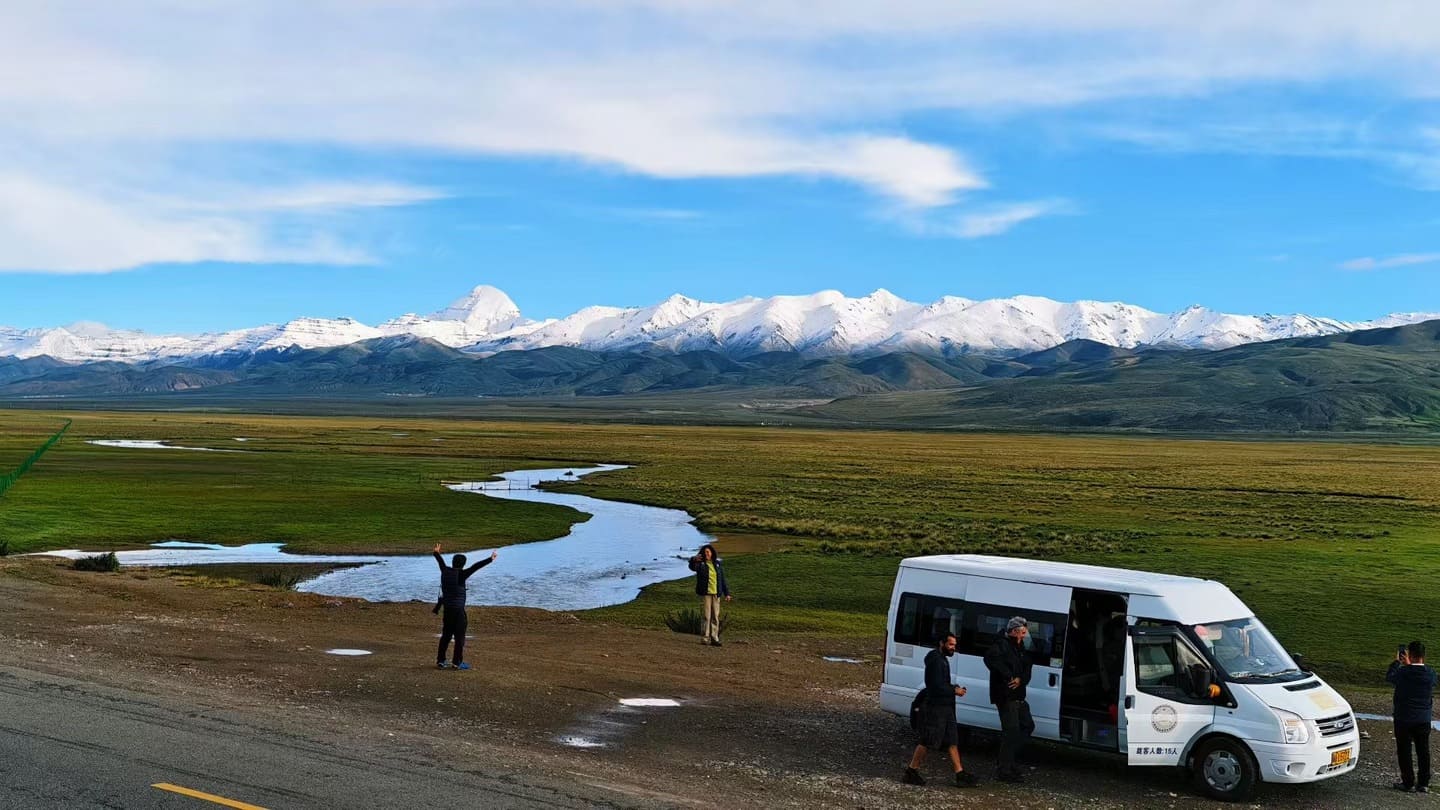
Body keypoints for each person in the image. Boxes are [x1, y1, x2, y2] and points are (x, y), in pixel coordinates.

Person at [903, 633, 979, 788]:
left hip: (946, 706)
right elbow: (936, 686)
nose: (953, 648)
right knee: (928, 740)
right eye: (951, 645)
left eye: (954, 645)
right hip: (936, 707)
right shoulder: (936, 660)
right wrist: (954, 690)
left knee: (952, 740)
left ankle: (960, 773)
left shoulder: (941, 659)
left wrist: (953, 689)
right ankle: (911, 771)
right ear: (941, 643)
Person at [984, 616, 1035, 783]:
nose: (1024, 636)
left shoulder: (1020, 648)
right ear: (1014, 631)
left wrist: (1021, 678)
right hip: (1006, 696)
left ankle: (1007, 760)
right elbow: (990, 659)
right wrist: (1008, 676)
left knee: (1027, 726)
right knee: (1011, 731)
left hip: (1019, 695)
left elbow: (1027, 668)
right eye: (1022, 633)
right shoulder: (1001, 645)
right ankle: (1004, 769)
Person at [432, 544, 497, 670]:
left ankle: (441, 661)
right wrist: (491, 559)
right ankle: (457, 662)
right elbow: (476, 567)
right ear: (463, 564)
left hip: (447, 610)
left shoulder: (445, 571)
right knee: (459, 637)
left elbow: (440, 562)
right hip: (458, 611)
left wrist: (436, 553)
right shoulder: (461, 574)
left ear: (453, 562)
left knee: (446, 635)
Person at [1388, 640, 1437, 793]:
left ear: (1410, 654)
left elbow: (1390, 677)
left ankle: (1408, 782)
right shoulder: (1430, 674)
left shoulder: (1403, 672)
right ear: (1423, 656)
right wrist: (1409, 664)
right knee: (1423, 751)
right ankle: (1423, 783)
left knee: (1404, 750)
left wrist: (1397, 662)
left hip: (1404, 718)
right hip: (1423, 718)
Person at [687, 544, 731, 646]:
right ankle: (705, 638)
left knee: (715, 616)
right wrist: (693, 559)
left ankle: (715, 638)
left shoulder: (717, 564)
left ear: (712, 553)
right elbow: (691, 567)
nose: (706, 554)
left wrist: (727, 593)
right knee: (706, 616)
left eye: (708, 552)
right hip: (706, 594)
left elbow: (722, 580)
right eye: (705, 552)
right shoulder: (700, 564)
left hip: (716, 594)